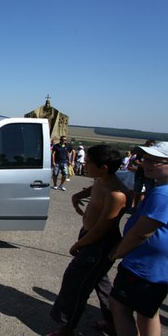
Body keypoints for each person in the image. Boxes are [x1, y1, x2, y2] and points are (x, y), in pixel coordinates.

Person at [49, 145, 130, 336]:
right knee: (100, 281)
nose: (84, 166)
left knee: (75, 282)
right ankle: (113, 322)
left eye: (88, 163)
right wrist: (78, 195)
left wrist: (79, 244)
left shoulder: (117, 194)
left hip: (98, 243)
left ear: (103, 168)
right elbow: (95, 189)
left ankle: (67, 328)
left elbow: (102, 229)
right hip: (88, 236)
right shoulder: (101, 179)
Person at [109, 141, 168, 336]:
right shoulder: (160, 189)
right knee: (147, 311)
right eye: (146, 159)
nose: (147, 164)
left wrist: (119, 251)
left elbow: (142, 232)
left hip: (145, 264)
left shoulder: (162, 194)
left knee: (119, 305)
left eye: (155, 161)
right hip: (158, 265)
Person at [132, 140, 157, 209]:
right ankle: (135, 206)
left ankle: (145, 207)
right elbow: (136, 162)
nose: (149, 146)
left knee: (149, 191)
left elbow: (153, 165)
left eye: (151, 145)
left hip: (149, 175)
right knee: (137, 191)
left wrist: (142, 164)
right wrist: (146, 165)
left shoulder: (154, 154)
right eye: (148, 145)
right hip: (140, 174)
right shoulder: (141, 153)